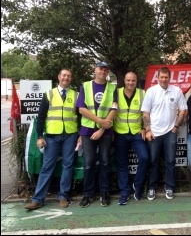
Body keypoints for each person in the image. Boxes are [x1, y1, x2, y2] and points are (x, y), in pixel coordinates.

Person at [25, 68, 80, 210]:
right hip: (52, 136)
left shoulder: (76, 95)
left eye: (68, 76)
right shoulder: (49, 94)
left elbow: (80, 118)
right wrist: (39, 136)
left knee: (68, 165)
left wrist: (80, 135)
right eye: (64, 75)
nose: (66, 78)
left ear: (71, 79)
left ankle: (63, 197)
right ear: (59, 77)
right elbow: (41, 117)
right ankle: (38, 199)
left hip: (70, 135)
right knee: (47, 166)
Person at [141, 66, 188, 200]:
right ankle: (152, 187)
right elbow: (145, 112)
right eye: (161, 77)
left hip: (170, 132)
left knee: (171, 161)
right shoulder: (151, 91)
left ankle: (170, 187)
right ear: (157, 78)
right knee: (153, 161)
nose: (164, 79)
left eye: (166, 77)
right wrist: (148, 129)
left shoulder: (176, 91)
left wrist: (176, 127)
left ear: (170, 78)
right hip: (154, 132)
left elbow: (183, 110)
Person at [76, 61, 118, 208]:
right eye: (100, 69)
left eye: (106, 69)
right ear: (95, 70)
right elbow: (81, 109)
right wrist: (100, 121)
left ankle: (104, 193)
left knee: (105, 162)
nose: (103, 71)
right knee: (88, 163)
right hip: (87, 131)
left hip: (105, 131)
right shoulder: (85, 86)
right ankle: (88, 194)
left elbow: (114, 108)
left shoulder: (112, 87)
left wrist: (102, 128)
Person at [113, 72, 149, 205]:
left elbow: (145, 113)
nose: (130, 83)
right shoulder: (116, 92)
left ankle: (137, 186)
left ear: (136, 81)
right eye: (128, 80)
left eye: (133, 80)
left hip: (136, 133)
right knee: (122, 164)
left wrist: (145, 128)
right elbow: (111, 111)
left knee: (145, 158)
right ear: (124, 80)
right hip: (120, 132)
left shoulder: (142, 93)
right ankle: (124, 192)